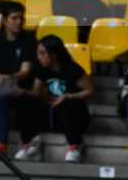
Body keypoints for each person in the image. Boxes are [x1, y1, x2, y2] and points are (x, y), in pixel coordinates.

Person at [14, 35, 94, 163]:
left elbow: (90, 91)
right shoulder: (41, 69)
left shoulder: (73, 69)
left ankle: (75, 146)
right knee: (25, 100)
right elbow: (36, 93)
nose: (38, 57)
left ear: (54, 55)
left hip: (74, 117)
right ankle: (30, 144)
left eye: (42, 53)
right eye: (38, 53)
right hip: (53, 115)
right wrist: (21, 92)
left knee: (66, 103)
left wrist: (68, 96)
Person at [0, 1, 35, 158]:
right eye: (14, 18)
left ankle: (1, 146)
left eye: (21, 18)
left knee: (1, 97)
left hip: (20, 86)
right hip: (0, 85)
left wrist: (7, 77)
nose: (19, 22)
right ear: (4, 20)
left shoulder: (28, 40)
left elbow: (25, 71)